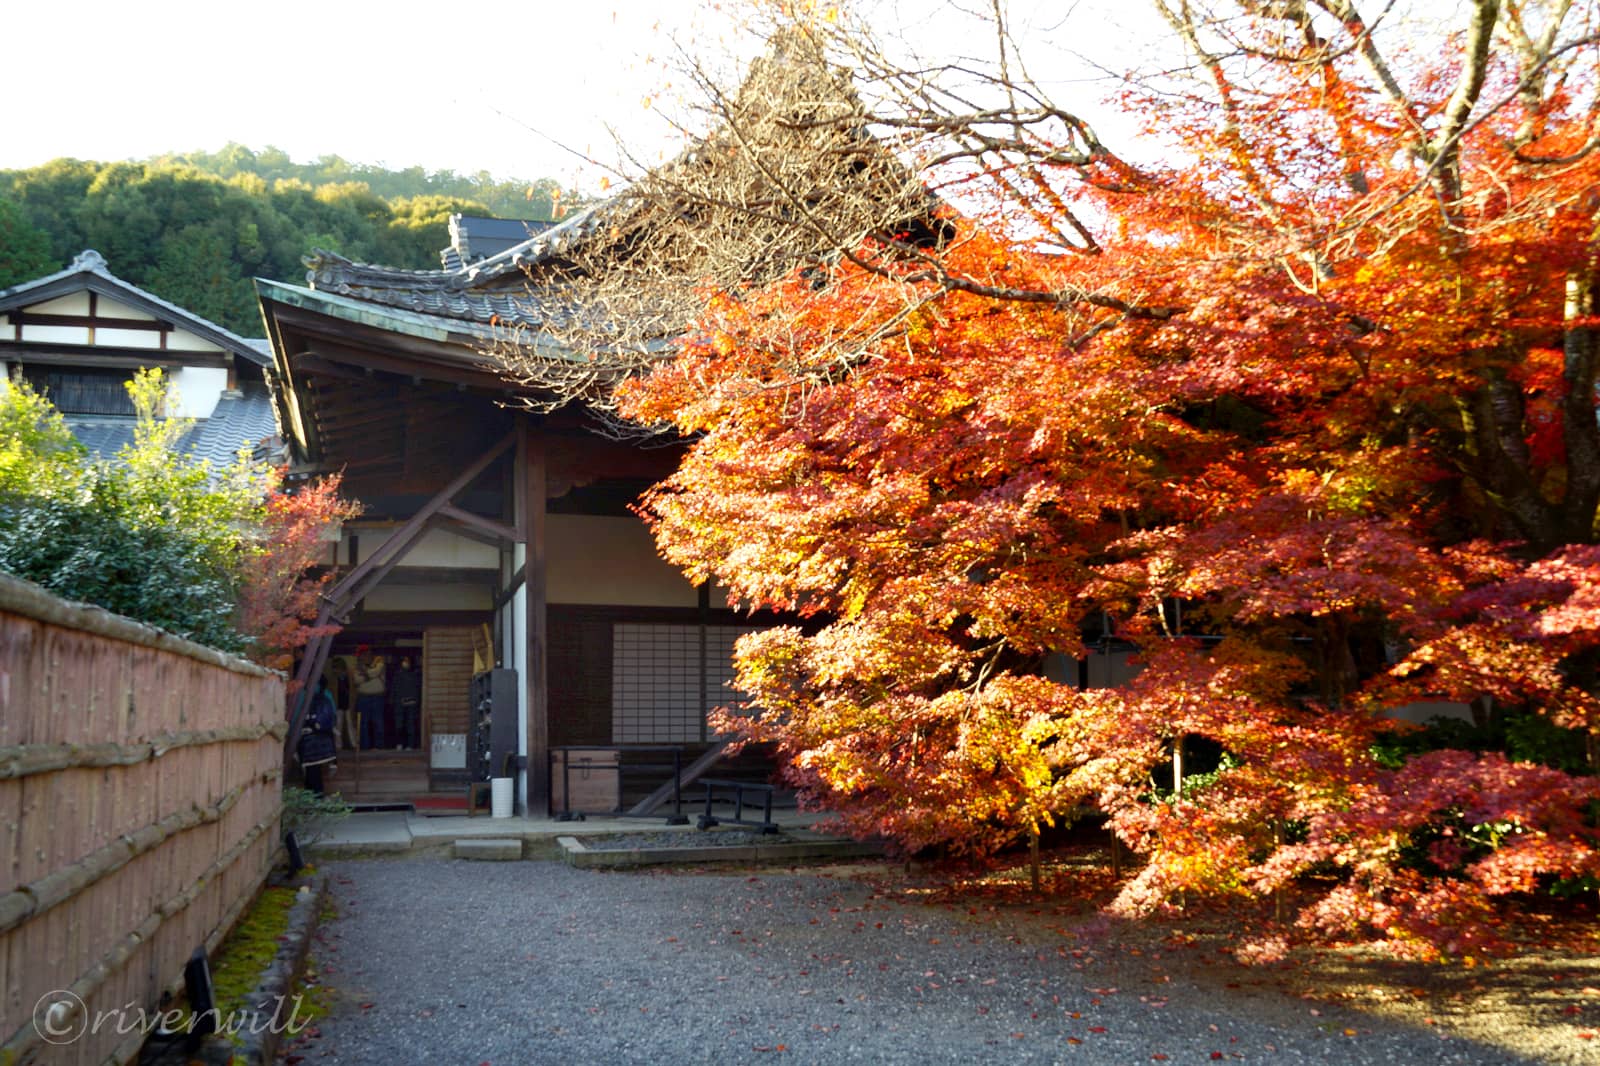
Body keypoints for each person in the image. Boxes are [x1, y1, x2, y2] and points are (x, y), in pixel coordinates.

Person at [297, 678, 338, 795]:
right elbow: (333, 715)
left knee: (310, 770)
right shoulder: (327, 694)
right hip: (324, 736)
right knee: (316, 770)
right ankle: (318, 794)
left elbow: (296, 716)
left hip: (306, 736)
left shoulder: (301, 694)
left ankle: (312, 797)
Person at [356, 650, 387, 750]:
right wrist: (370, 675)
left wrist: (366, 675)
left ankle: (379, 746)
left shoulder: (380, 664)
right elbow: (357, 680)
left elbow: (375, 672)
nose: (366, 657)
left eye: (368, 654)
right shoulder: (358, 667)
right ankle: (364, 747)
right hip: (363, 697)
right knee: (363, 723)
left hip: (377, 697)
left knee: (378, 722)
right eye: (364, 655)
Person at [392, 656, 421, 750]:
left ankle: (410, 745)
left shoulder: (415, 674)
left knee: (410, 724)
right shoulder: (397, 674)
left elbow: (418, 689)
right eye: (404, 661)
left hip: (411, 702)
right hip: (400, 702)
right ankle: (399, 743)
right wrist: (393, 700)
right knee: (399, 725)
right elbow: (394, 689)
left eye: (407, 661)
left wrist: (416, 700)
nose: (406, 663)